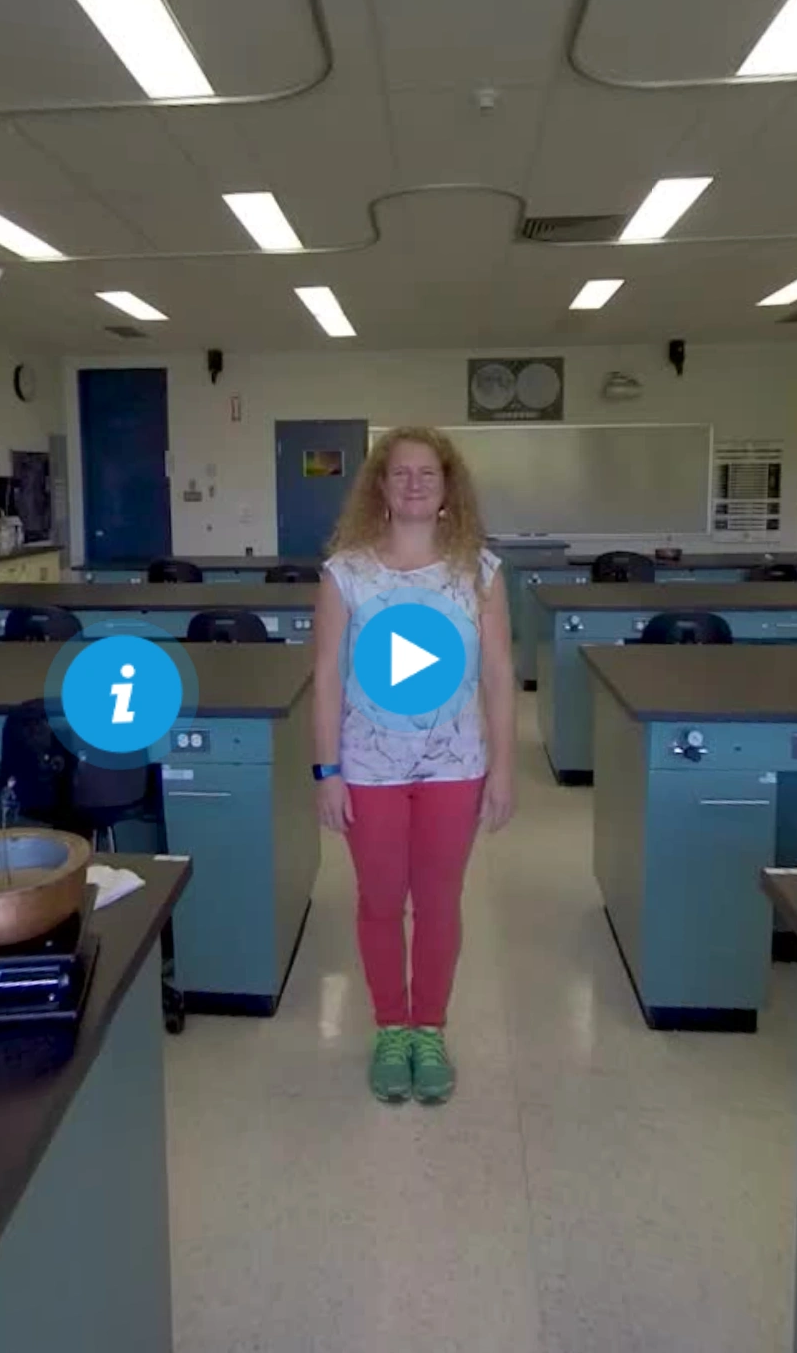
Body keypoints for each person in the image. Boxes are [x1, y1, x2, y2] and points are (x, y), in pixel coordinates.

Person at [309, 427, 517, 1104]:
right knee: (377, 902)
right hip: (368, 768)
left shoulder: (479, 571)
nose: (416, 482)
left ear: (448, 486)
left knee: (437, 904)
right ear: (381, 487)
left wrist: (505, 770)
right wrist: (326, 771)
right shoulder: (346, 572)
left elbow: (498, 675)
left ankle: (428, 1028)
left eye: (429, 472)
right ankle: (388, 1029)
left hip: (455, 766)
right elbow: (327, 677)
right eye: (401, 473)